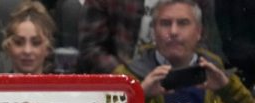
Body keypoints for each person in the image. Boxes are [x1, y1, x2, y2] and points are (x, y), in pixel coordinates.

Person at [113, 0, 255, 103]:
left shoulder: (217, 73)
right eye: (165, 23)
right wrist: (139, 96)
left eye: (183, 23)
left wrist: (228, 90)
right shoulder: (128, 76)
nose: (173, 31)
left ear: (199, 32)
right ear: (154, 32)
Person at [77, 0, 222, 74]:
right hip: (123, 85)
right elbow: (91, 48)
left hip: (185, 79)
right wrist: (130, 78)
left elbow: (203, 39)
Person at [0, 0, 57, 74]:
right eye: (18, 43)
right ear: (8, 47)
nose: (27, 51)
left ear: (48, 49)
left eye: (36, 43)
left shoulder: (63, 92)